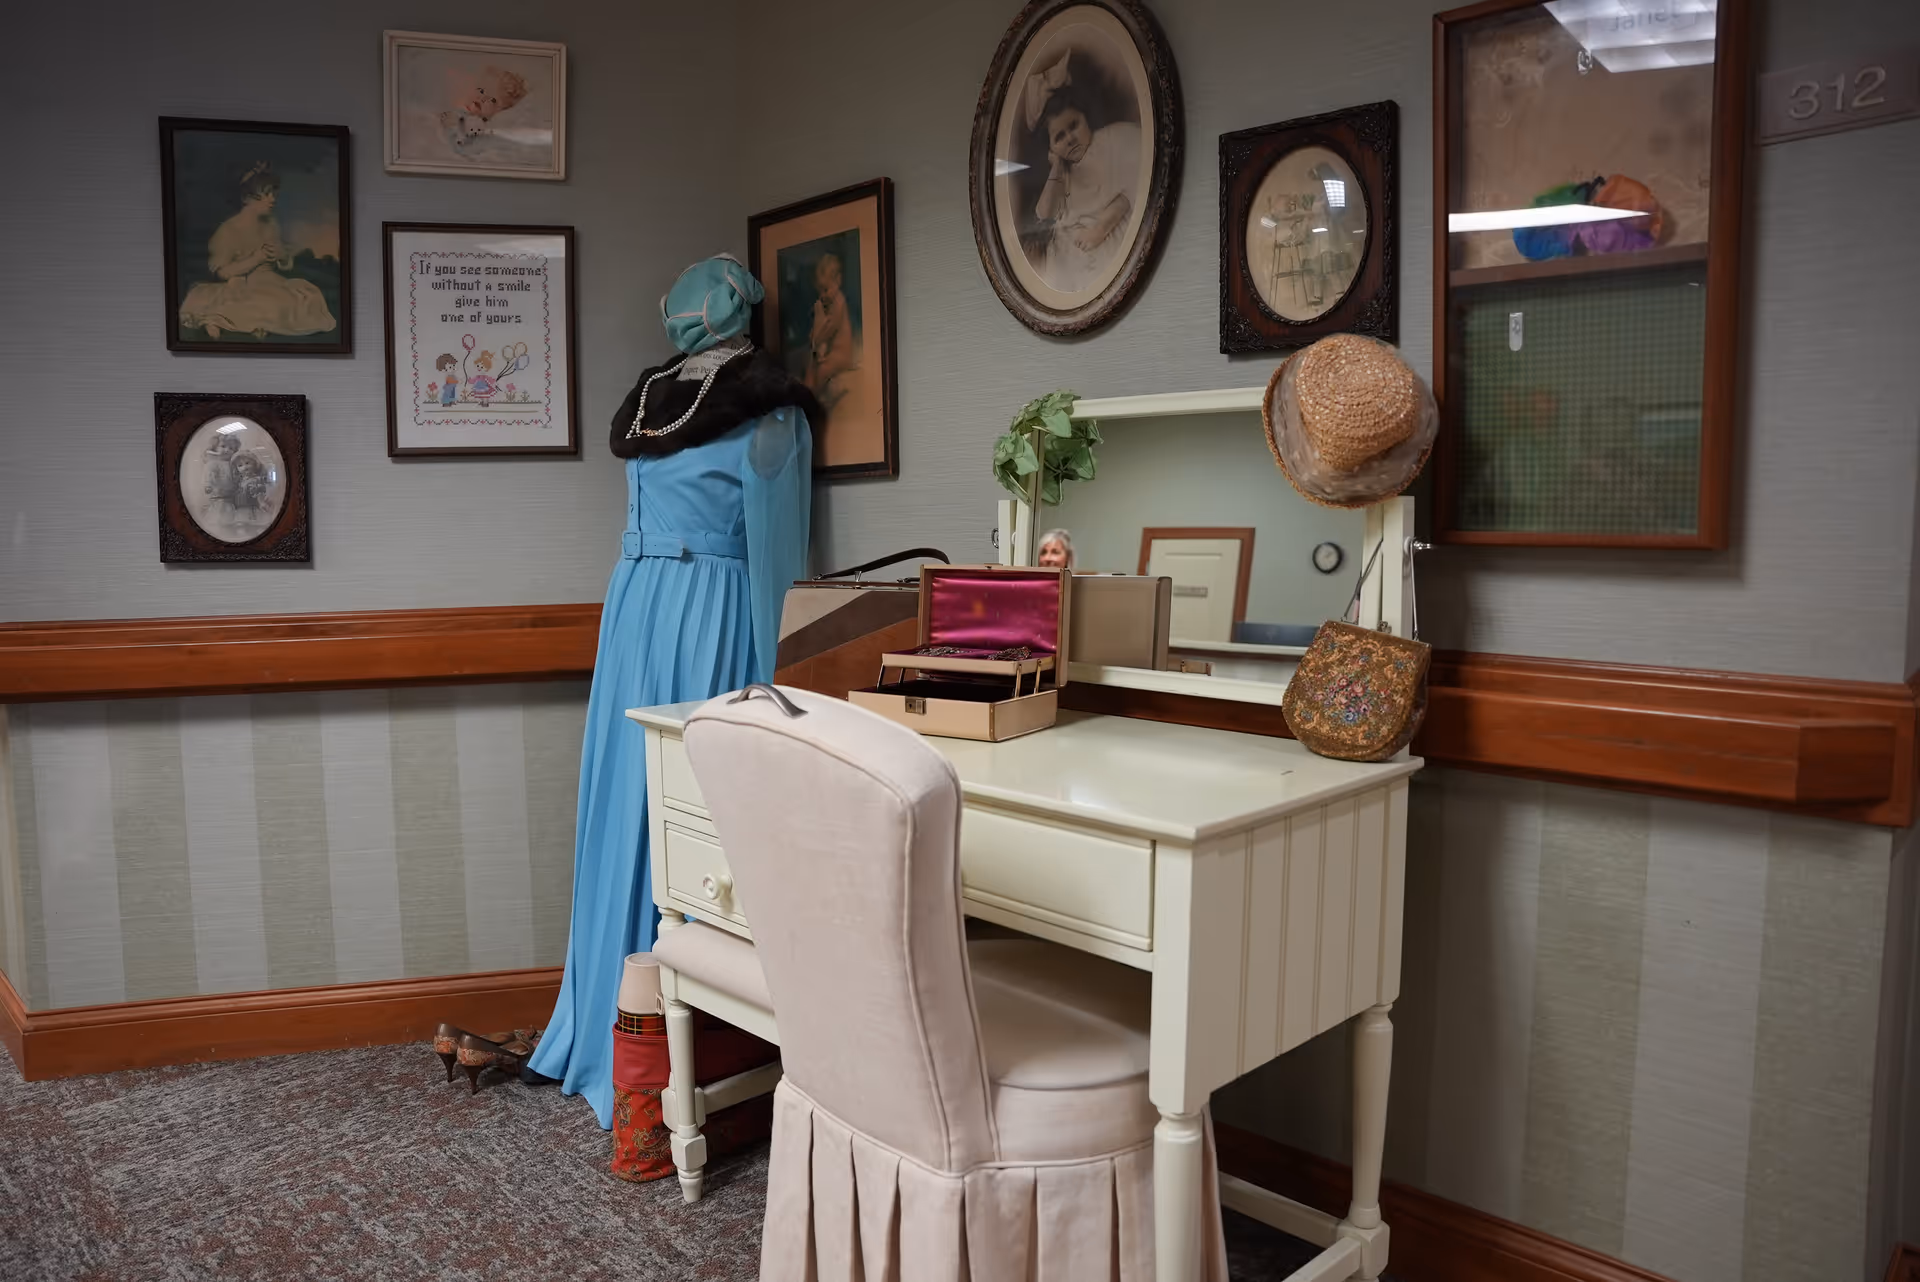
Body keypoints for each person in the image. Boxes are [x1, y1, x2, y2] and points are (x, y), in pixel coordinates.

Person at [528, 256, 818, 1128]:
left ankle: (693, 1044)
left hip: (710, 608)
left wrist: (776, 680)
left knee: (691, 814)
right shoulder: (659, 394)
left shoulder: (770, 412)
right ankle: (607, 1026)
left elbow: (777, 553)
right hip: (638, 606)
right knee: (624, 791)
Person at [1023, 53, 1141, 293]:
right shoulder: (1061, 173)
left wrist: (1103, 225)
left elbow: (1135, 183)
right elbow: (1045, 212)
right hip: (1073, 248)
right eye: (1059, 137)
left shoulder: (1110, 141)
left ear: (1085, 118)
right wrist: (1056, 165)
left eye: (1074, 125)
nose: (1070, 139)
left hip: (1108, 230)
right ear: (1051, 147)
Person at [178, 163, 335, 340]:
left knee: (308, 295)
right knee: (267, 303)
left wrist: (281, 255)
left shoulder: (271, 224)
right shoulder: (229, 231)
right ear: (246, 199)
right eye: (265, 195)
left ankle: (251, 323)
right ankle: (216, 319)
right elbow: (222, 272)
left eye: (274, 194)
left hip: (269, 281)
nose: (272, 200)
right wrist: (255, 258)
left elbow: (282, 258)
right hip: (239, 283)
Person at [802, 252, 859, 411]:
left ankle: (816, 400)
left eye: (825, 289)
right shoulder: (826, 303)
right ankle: (808, 393)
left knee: (822, 370)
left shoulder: (839, 301)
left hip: (842, 353)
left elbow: (831, 328)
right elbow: (819, 327)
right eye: (819, 290)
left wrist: (818, 337)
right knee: (810, 361)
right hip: (830, 351)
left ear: (838, 281)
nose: (822, 295)